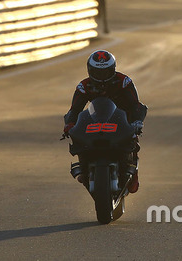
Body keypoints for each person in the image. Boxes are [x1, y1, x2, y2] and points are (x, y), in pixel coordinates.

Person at [63, 50, 147, 193]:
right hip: (95, 120)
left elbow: (136, 105)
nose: (102, 77)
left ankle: (133, 172)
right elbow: (74, 110)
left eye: (106, 72)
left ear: (113, 69)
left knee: (133, 139)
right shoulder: (84, 86)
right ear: (90, 70)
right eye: (98, 72)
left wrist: (137, 121)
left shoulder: (124, 81)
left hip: (122, 119)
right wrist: (69, 125)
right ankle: (84, 169)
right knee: (78, 138)